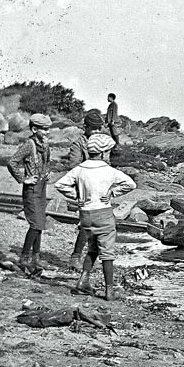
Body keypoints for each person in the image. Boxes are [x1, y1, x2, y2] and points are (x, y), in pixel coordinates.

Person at [55, 134, 136, 301]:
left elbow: (60, 185)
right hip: (103, 214)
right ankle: (109, 290)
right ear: (103, 152)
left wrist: (77, 196)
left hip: (85, 215)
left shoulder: (79, 170)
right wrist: (113, 192)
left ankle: (83, 280)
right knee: (107, 253)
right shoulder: (109, 170)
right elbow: (130, 184)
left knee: (93, 247)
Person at [7, 114, 53, 271]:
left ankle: (36, 258)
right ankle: (24, 257)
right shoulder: (29, 144)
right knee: (35, 224)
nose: (47, 132)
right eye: (44, 129)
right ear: (34, 129)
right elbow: (12, 162)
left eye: (48, 129)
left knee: (40, 222)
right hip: (32, 189)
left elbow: (46, 163)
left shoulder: (45, 145)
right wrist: (23, 179)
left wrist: (47, 173)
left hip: (41, 187)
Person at [66, 111, 108, 271]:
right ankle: (75, 256)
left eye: (99, 129)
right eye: (94, 129)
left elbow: (107, 163)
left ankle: (91, 256)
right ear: (86, 127)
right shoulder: (78, 144)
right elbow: (74, 167)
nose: (97, 133)